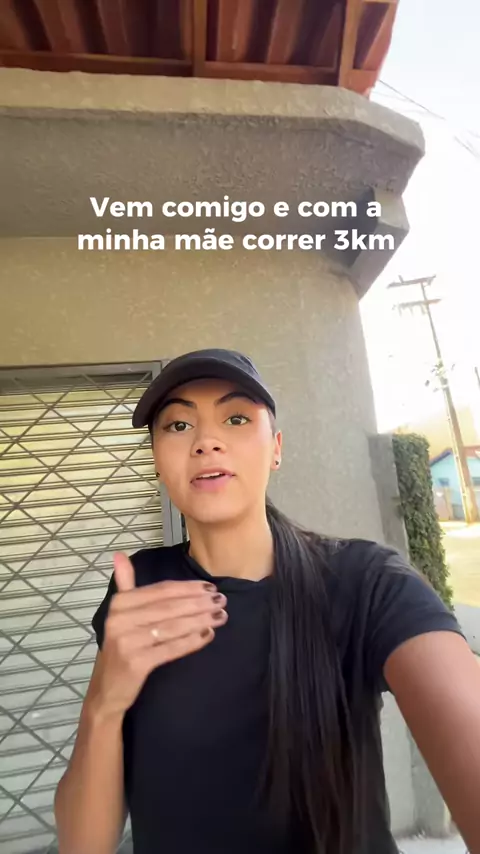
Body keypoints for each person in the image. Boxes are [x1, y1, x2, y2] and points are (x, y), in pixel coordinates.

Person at [54, 348, 480, 854]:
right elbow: (84, 844)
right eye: (178, 425)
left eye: (235, 419)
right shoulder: (140, 586)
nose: (206, 442)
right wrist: (104, 706)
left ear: (276, 448)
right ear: (157, 462)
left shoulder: (366, 582)